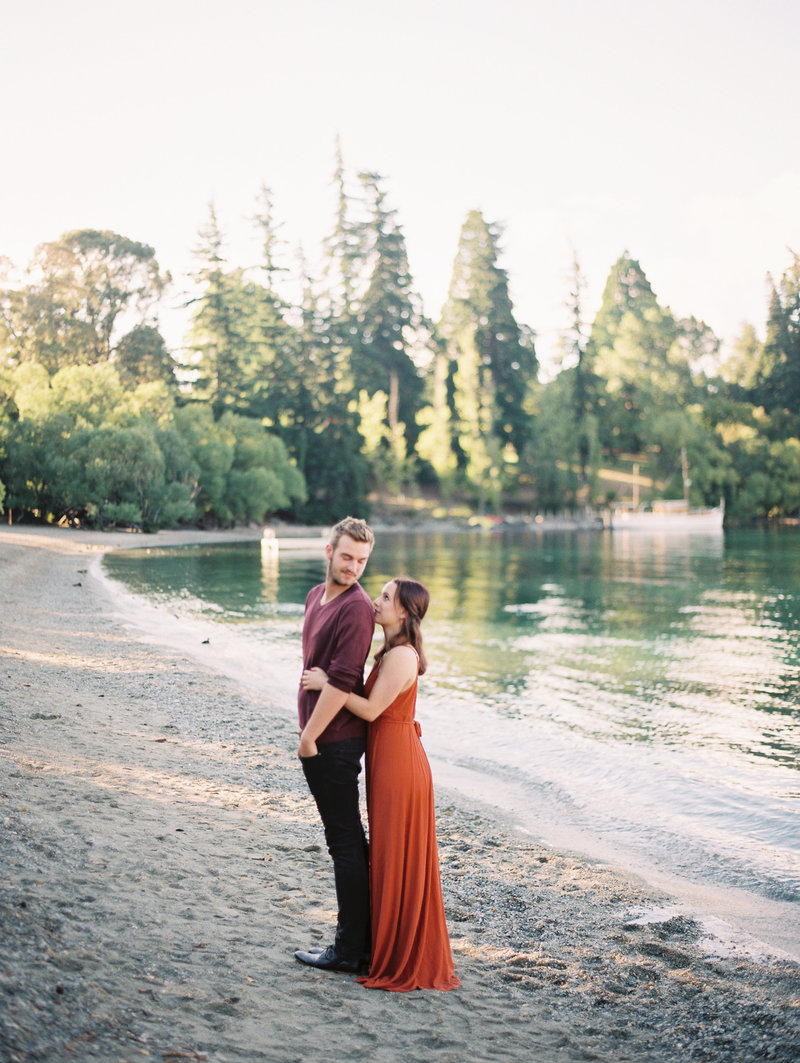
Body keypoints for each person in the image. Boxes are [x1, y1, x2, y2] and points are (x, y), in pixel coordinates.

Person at [301, 577, 460, 993]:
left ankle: (395, 952)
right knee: (388, 855)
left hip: (400, 767)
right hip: (387, 761)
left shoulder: (403, 657)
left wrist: (327, 685)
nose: (376, 600)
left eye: (386, 597)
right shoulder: (390, 651)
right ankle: (380, 943)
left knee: (394, 855)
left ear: (404, 612)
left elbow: (371, 710)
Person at [293, 517, 376, 974]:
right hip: (322, 735)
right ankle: (358, 944)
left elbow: (342, 682)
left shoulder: (358, 608)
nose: (354, 567)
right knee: (343, 840)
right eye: (347, 557)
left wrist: (309, 737)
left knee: (343, 841)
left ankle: (350, 950)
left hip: (336, 741)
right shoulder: (314, 597)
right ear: (329, 552)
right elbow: (315, 666)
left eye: (362, 561)